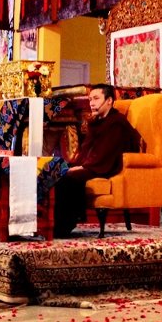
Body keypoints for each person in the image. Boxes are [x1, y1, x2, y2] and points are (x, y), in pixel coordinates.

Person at [53, 83, 141, 238]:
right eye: (90, 99)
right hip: (94, 163)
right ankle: (45, 222)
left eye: (96, 98)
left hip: (107, 165)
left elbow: (106, 153)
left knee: (67, 177)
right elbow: (86, 150)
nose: (92, 103)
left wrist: (83, 168)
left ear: (109, 100)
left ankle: (63, 225)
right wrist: (76, 164)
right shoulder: (97, 122)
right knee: (54, 169)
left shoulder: (117, 123)